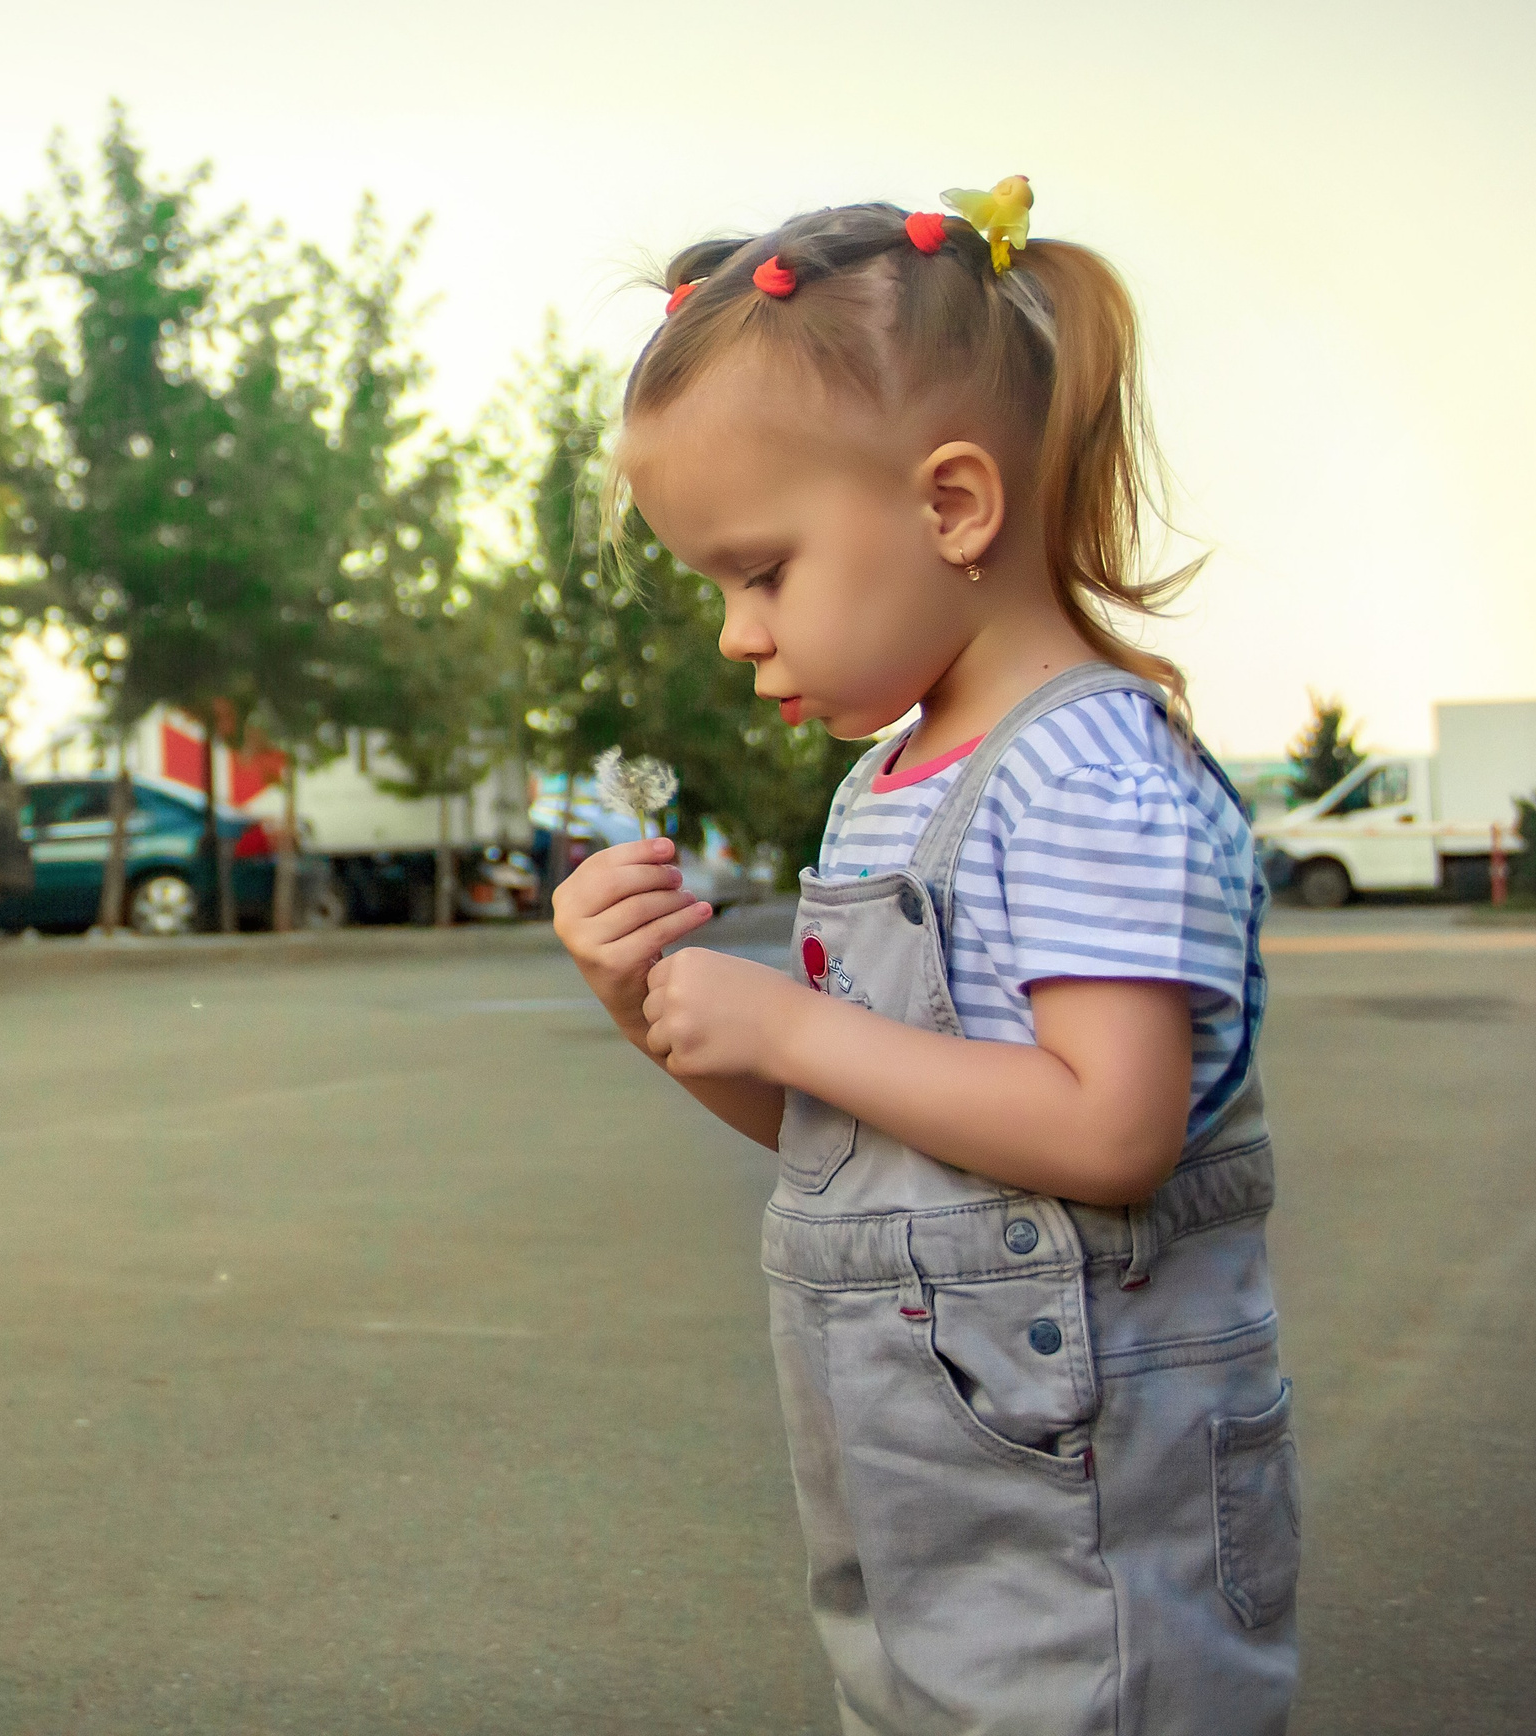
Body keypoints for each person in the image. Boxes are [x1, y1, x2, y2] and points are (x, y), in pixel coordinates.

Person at [551, 186, 1300, 1735]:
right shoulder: (894, 787)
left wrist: (791, 1024)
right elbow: (868, 1146)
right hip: (926, 1492)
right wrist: (665, 1016)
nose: (736, 636)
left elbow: (1111, 1129)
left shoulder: (1079, 771)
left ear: (954, 506)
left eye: (762, 572)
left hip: (1085, 1509)